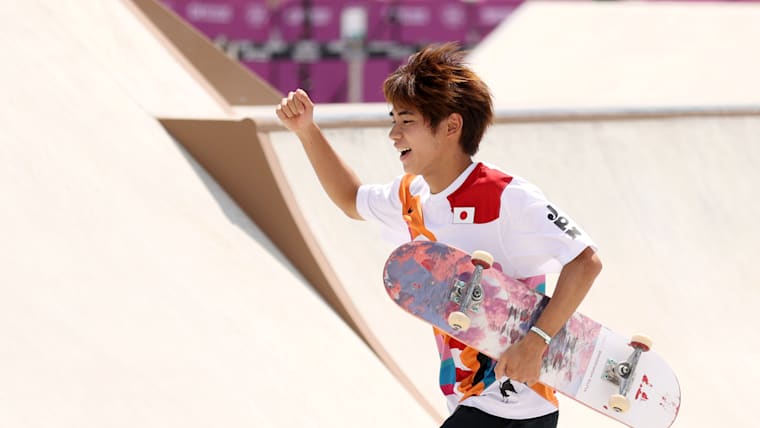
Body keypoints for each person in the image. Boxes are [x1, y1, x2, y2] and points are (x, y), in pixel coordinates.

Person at [275, 42, 602, 428]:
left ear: (451, 126)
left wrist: (537, 342)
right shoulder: (411, 196)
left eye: (406, 121)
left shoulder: (506, 195)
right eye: (393, 120)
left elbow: (586, 261)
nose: (394, 134)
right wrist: (307, 131)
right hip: (471, 401)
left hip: (512, 402)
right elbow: (351, 199)